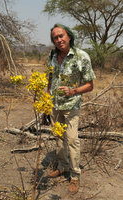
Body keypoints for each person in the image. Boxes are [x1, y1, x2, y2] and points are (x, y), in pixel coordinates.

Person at [47, 24, 96, 194]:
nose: (59, 40)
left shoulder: (81, 56)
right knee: (58, 138)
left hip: (71, 105)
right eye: (55, 38)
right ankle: (62, 166)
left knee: (72, 140)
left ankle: (75, 176)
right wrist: (47, 102)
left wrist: (72, 91)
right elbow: (50, 78)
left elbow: (90, 85)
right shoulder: (52, 55)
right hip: (54, 105)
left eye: (61, 36)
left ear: (69, 36)